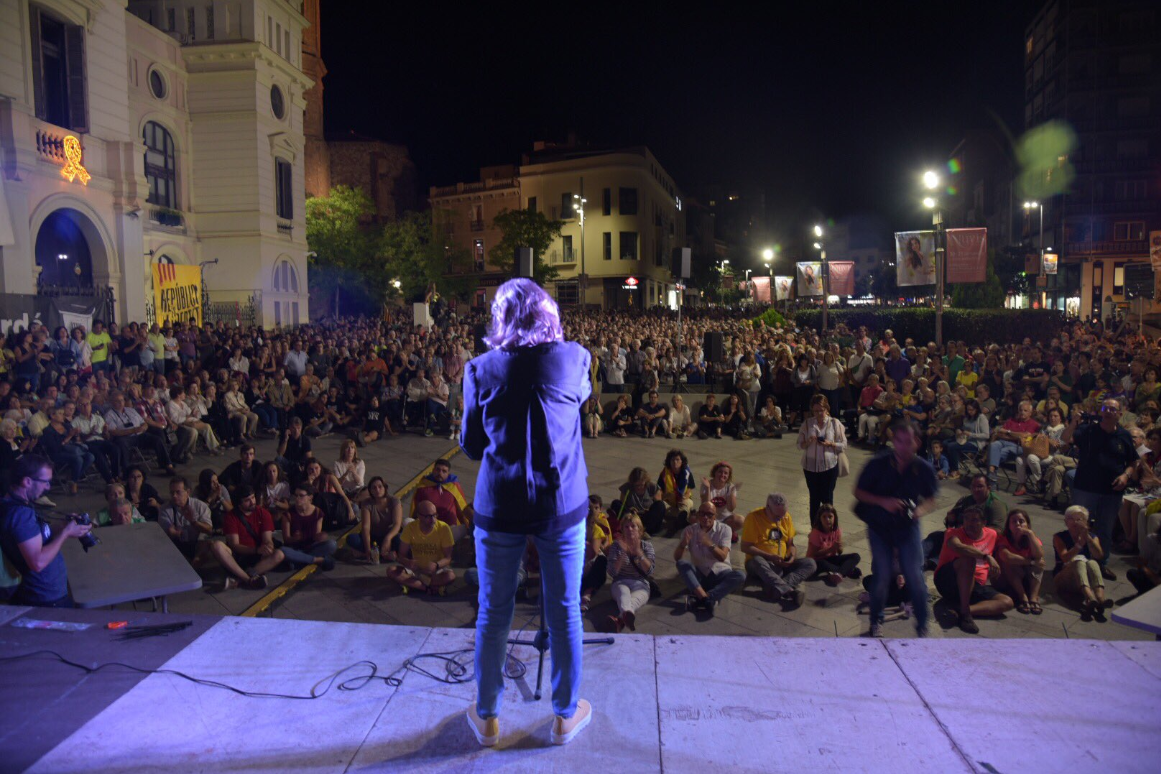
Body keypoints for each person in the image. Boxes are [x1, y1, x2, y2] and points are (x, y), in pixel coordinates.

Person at [460, 278, 593, 747]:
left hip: (499, 504)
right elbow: (578, 404)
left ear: (500, 318)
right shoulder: (575, 358)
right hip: (561, 504)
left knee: (493, 613)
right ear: (548, 314)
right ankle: (563, 715)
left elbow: (472, 446)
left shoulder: (478, 369)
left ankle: (488, 717)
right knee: (564, 613)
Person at [854, 418, 937, 638]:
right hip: (880, 527)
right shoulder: (878, 463)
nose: (902, 447)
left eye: (907, 442)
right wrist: (884, 502)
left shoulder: (923, 468)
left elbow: (931, 498)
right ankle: (876, 621)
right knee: (881, 576)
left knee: (915, 577)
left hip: (907, 528)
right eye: (898, 441)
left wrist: (918, 511)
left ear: (916, 442)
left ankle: (922, 625)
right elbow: (858, 493)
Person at [1061, 399, 1138, 580]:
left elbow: (1133, 462)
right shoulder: (1088, 430)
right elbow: (1065, 439)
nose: (1109, 411)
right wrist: (1073, 422)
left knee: (1105, 528)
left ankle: (1101, 564)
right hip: (1087, 487)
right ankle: (1077, 562)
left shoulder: (1124, 436)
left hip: (1111, 491)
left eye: (1113, 409)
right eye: (1105, 408)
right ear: (1101, 411)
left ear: (1120, 414)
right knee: (1079, 526)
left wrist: (1126, 475)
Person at [0, 457, 92, 607]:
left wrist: (62, 526)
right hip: (43, 597)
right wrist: (66, 533)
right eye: (45, 481)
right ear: (27, 481)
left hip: (44, 595)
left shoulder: (11, 502)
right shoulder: (20, 514)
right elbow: (37, 562)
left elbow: (31, 535)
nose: (48, 487)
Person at [934, 505, 1014, 633]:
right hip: (948, 580)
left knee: (1007, 602)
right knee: (969, 559)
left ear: (984, 523)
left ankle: (960, 609)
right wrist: (986, 557)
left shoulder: (992, 534)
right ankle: (966, 615)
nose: (969, 523)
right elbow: (958, 547)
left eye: (975, 520)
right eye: (966, 519)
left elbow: (1008, 544)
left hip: (975, 584)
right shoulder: (953, 533)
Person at [740, 492, 815, 610]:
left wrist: (791, 556)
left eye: (783, 515)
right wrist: (769, 556)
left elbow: (791, 544)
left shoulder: (786, 517)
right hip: (761, 562)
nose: (780, 519)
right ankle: (789, 591)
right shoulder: (754, 517)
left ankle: (778, 587)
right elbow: (745, 547)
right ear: (767, 508)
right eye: (777, 516)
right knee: (757, 561)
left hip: (781, 563)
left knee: (810, 563)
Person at [208, 485, 283, 590]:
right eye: (247, 500)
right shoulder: (231, 517)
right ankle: (248, 580)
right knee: (216, 546)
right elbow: (235, 545)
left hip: (258, 557)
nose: (252, 502)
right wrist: (256, 550)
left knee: (279, 554)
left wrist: (268, 546)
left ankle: (239, 580)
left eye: (253, 497)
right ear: (239, 503)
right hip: (238, 557)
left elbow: (267, 539)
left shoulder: (263, 513)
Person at [675, 502, 744, 617]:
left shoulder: (725, 529)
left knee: (740, 575)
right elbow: (677, 558)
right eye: (702, 514)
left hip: (721, 573)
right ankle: (708, 598)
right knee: (682, 564)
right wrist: (682, 545)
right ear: (697, 515)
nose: (705, 517)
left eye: (709, 514)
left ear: (715, 516)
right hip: (700, 574)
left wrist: (709, 544)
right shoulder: (689, 530)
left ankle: (702, 598)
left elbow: (722, 557)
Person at [797, 394, 847, 528]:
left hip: (829, 467)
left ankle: (830, 529)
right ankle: (815, 529)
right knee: (814, 499)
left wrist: (831, 444)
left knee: (827, 499)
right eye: (816, 411)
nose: (819, 413)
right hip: (810, 467)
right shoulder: (807, 424)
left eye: (821, 410)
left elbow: (844, 444)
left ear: (827, 408)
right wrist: (807, 442)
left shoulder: (834, 423)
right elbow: (799, 445)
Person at [1052, 504, 1110, 621]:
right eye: (1071, 519)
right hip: (1064, 576)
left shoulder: (1092, 537)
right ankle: (1089, 597)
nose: (1075, 523)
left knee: (1093, 563)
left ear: (1086, 522)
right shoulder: (1059, 537)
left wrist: (1087, 539)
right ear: (1066, 522)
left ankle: (1100, 598)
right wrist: (1078, 545)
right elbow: (1064, 558)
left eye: (1079, 519)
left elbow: (1099, 555)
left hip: (1085, 577)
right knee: (1079, 561)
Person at [387, 500, 455, 593]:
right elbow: (401, 555)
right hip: (416, 570)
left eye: (435, 515)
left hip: (436, 571)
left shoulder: (443, 528)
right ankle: (426, 588)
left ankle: (415, 584)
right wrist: (408, 562)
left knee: (450, 576)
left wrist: (437, 565)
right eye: (428, 516)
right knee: (391, 570)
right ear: (419, 516)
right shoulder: (410, 528)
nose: (433, 519)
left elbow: (448, 558)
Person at [603, 510, 655, 632]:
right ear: (622, 530)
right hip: (621, 582)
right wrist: (622, 555)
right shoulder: (616, 546)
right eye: (626, 527)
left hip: (641, 584)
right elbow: (612, 572)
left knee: (635, 600)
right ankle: (626, 617)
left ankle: (619, 621)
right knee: (623, 594)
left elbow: (649, 571)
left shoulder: (646, 546)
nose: (630, 529)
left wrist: (639, 553)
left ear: (640, 530)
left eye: (633, 526)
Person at [103, 390, 176, 476]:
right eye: (117, 401)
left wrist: (144, 426)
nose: (120, 403)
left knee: (157, 440)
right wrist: (133, 430)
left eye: (122, 400)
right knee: (121, 444)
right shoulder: (109, 415)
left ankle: (168, 465)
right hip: (124, 437)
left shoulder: (130, 410)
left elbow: (143, 422)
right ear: (112, 402)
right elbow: (114, 432)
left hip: (139, 434)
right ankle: (127, 470)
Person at [409, 457, 474, 540]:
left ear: (448, 474)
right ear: (433, 470)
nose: (440, 473)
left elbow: (460, 512)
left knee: (464, 529)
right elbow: (416, 510)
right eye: (437, 470)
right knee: (407, 522)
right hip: (427, 529)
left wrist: (467, 528)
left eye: (444, 471)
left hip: (449, 529)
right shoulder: (423, 486)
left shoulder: (453, 487)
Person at [996, 508, 1045, 615]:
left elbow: (1039, 555)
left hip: (1024, 576)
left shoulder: (1031, 538)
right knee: (1010, 563)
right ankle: (1023, 598)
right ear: (1008, 525)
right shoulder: (1003, 539)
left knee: (1040, 561)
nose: (1018, 524)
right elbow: (1007, 557)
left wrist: (1031, 535)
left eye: (1021, 521)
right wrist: (1031, 562)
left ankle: (1033, 598)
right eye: (1014, 521)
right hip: (1005, 578)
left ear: (1027, 524)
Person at [280, 485, 337, 570]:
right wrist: (294, 539)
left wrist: (321, 536)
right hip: (296, 548)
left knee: (332, 544)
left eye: (301, 495)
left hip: (311, 547)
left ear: (310, 498)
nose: (297, 498)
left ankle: (299, 562)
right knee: (282, 550)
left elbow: (316, 536)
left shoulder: (317, 512)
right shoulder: (288, 514)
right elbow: (286, 539)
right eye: (296, 495)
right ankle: (317, 560)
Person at [156, 476, 213, 561]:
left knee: (207, 542)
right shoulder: (164, 509)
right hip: (176, 545)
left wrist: (194, 522)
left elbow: (209, 530)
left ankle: (194, 563)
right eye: (172, 493)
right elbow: (163, 533)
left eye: (178, 492)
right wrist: (171, 533)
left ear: (188, 492)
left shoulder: (200, 506)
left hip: (196, 543)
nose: (174, 496)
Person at [347, 476, 402, 562]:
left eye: (380, 486)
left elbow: (397, 524)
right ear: (370, 491)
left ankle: (373, 554)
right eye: (374, 488)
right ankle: (380, 554)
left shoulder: (394, 501)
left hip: (389, 535)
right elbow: (366, 527)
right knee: (352, 539)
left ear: (385, 487)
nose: (377, 490)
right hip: (373, 537)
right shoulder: (366, 503)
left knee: (400, 538)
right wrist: (368, 549)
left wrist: (388, 538)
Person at [807, 503, 861, 586]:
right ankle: (846, 571)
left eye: (830, 516)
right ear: (820, 519)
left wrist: (839, 547)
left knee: (856, 556)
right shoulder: (816, 533)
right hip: (816, 561)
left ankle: (839, 573)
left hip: (830, 558)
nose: (827, 519)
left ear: (834, 517)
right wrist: (831, 549)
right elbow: (814, 554)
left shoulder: (837, 530)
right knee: (823, 563)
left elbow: (839, 552)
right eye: (824, 517)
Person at [610, 466, 666, 535]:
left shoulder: (652, 487)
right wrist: (630, 509)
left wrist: (648, 510)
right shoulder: (626, 488)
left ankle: (644, 530)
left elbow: (658, 504)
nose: (639, 487)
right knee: (616, 503)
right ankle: (636, 530)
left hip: (647, 518)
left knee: (660, 505)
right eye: (637, 485)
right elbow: (623, 504)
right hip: (632, 517)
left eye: (642, 485)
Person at [657, 448, 695, 535]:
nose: (675, 462)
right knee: (660, 506)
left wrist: (685, 496)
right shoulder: (664, 474)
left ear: (682, 461)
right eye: (672, 460)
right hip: (669, 502)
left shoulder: (687, 472)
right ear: (669, 461)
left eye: (677, 459)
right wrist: (667, 496)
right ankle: (682, 518)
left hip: (683, 501)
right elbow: (659, 492)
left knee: (687, 503)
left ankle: (676, 523)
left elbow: (690, 488)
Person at [700, 461, 742, 538]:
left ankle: (723, 531)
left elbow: (731, 508)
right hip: (709, 518)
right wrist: (708, 488)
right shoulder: (706, 484)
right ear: (715, 473)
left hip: (725, 519)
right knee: (694, 519)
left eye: (726, 473)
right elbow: (706, 507)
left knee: (740, 520)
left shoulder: (730, 487)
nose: (723, 475)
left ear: (728, 476)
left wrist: (731, 492)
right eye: (720, 472)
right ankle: (721, 532)